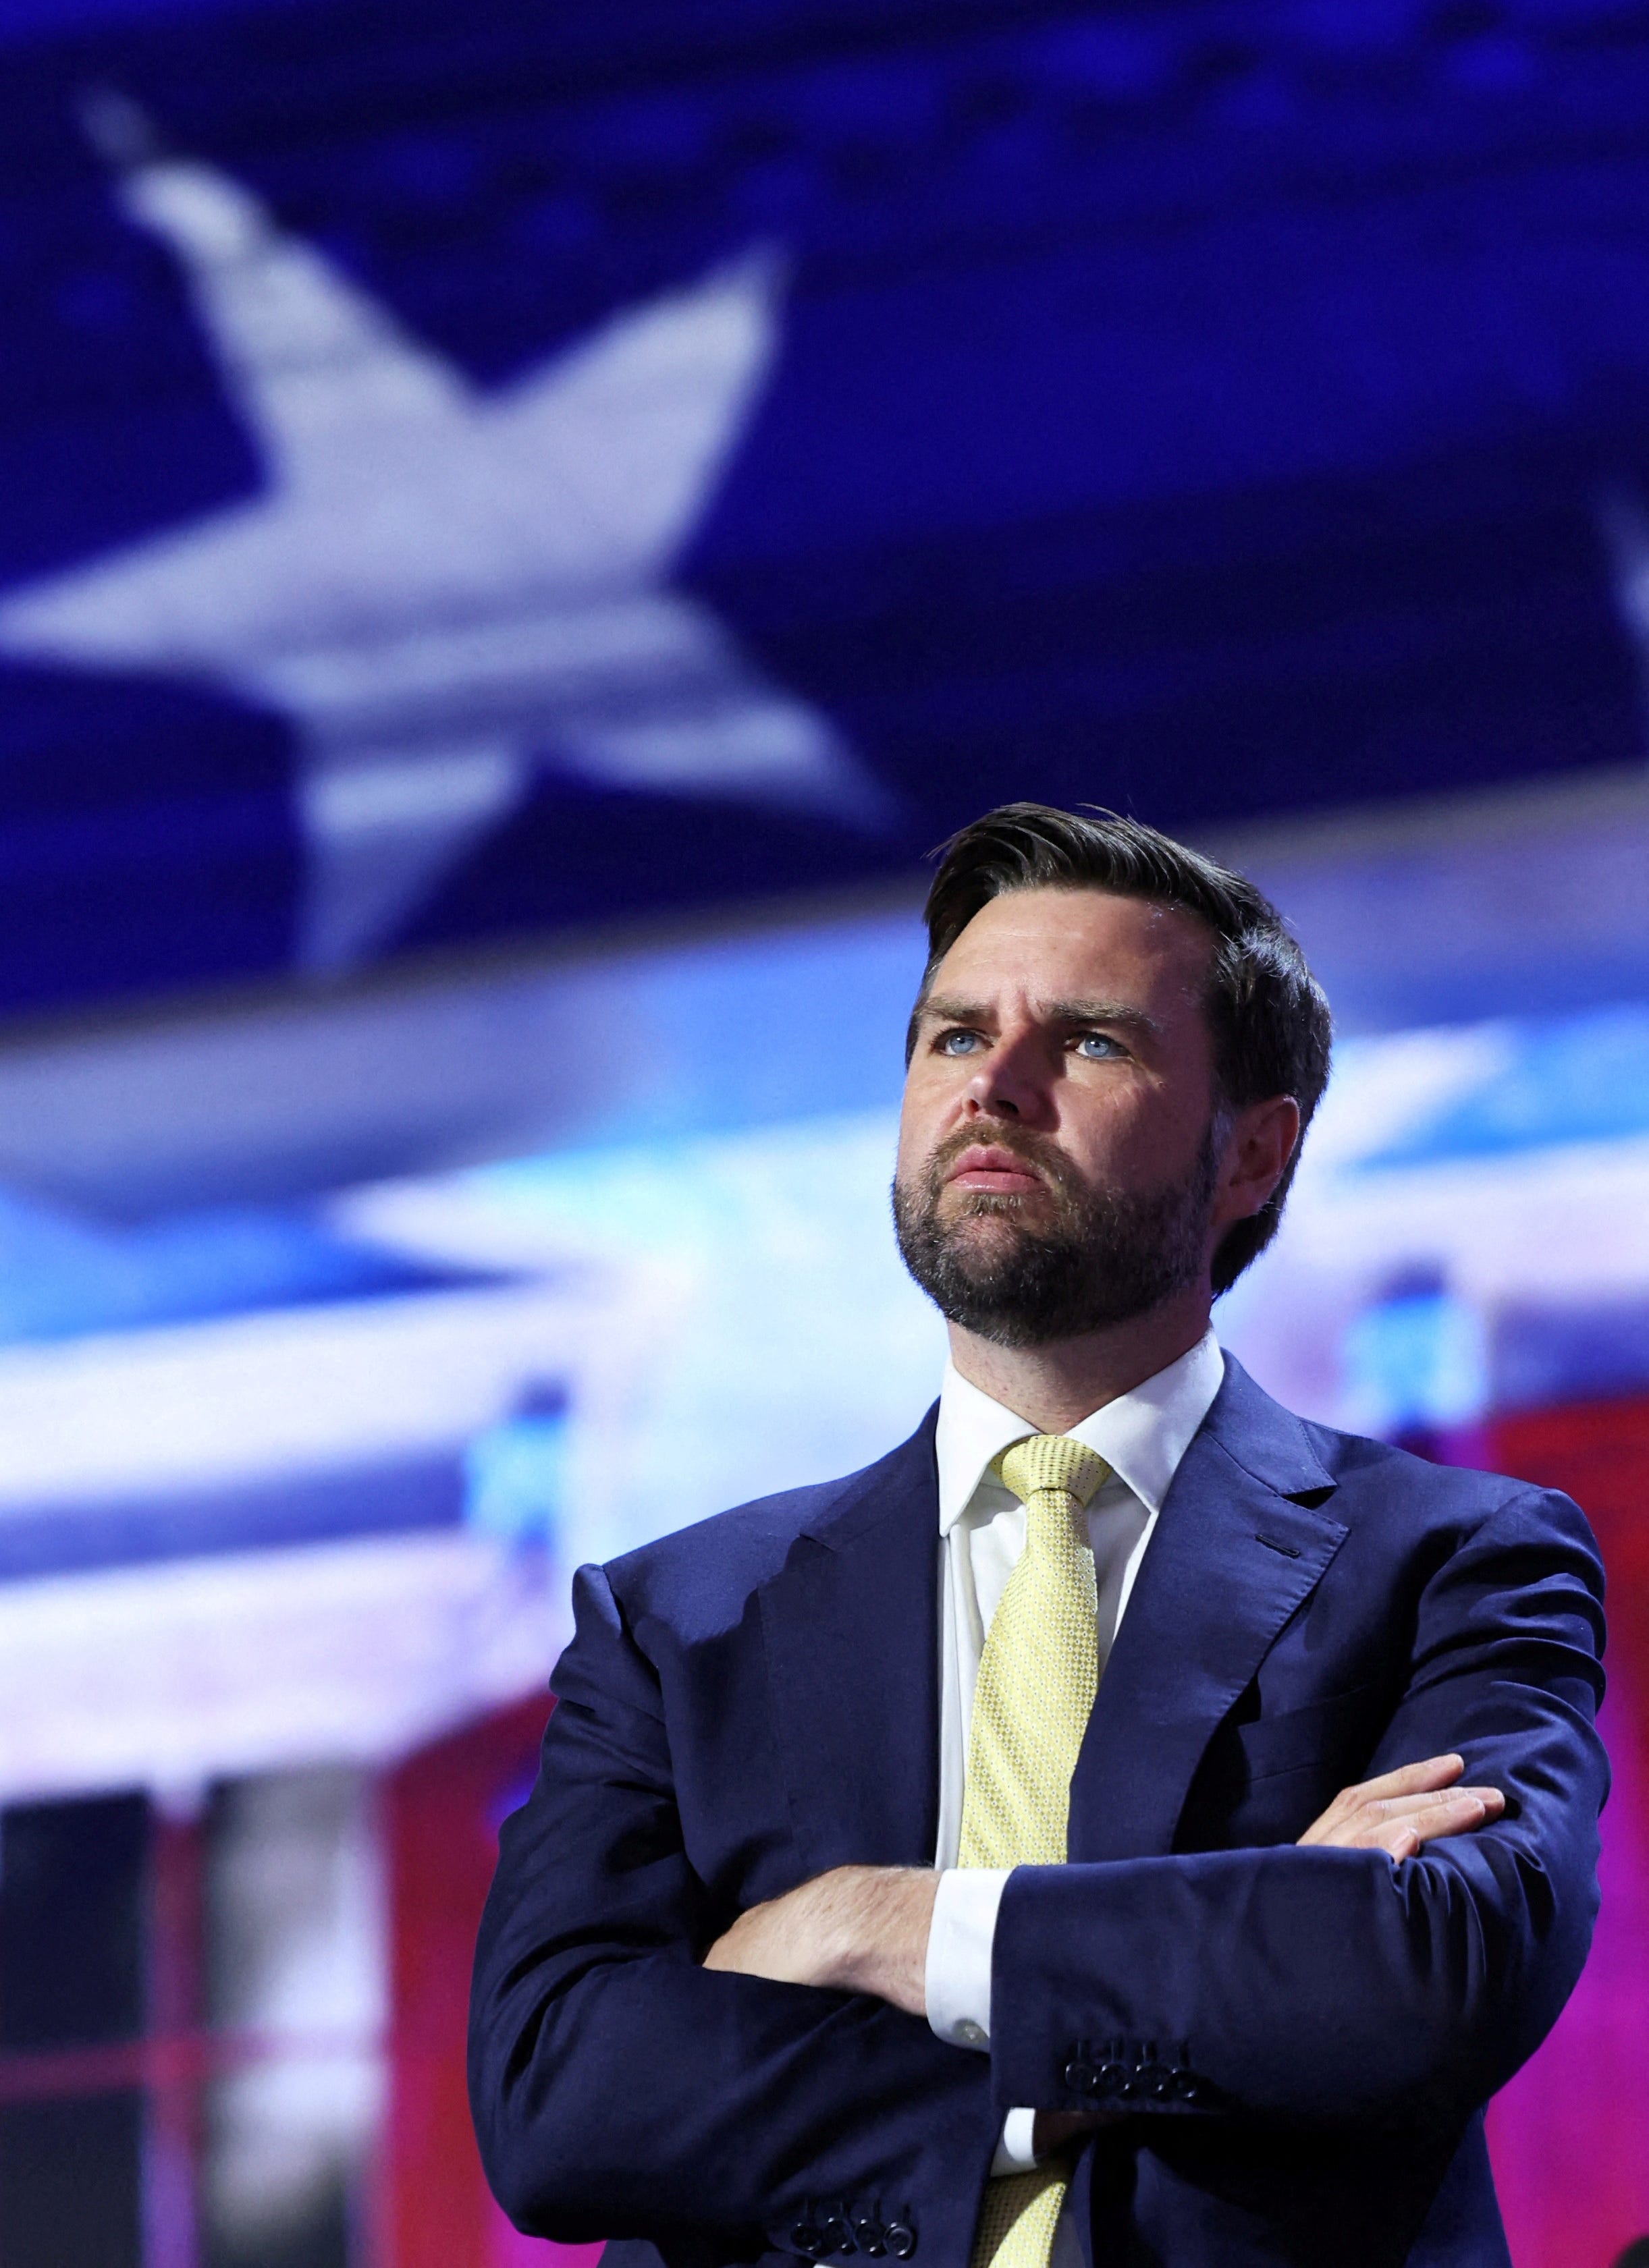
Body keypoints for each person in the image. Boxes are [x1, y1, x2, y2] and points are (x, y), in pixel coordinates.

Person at [468, 804, 1606, 2267]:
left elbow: (1424, 1967)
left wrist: (869, 1930)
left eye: (1087, 1043)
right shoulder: (673, 1623)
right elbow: (563, 2106)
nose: (991, 1089)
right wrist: (1222, 1966)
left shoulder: (1456, 1557)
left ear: (1251, 1153)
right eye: (952, 1037)